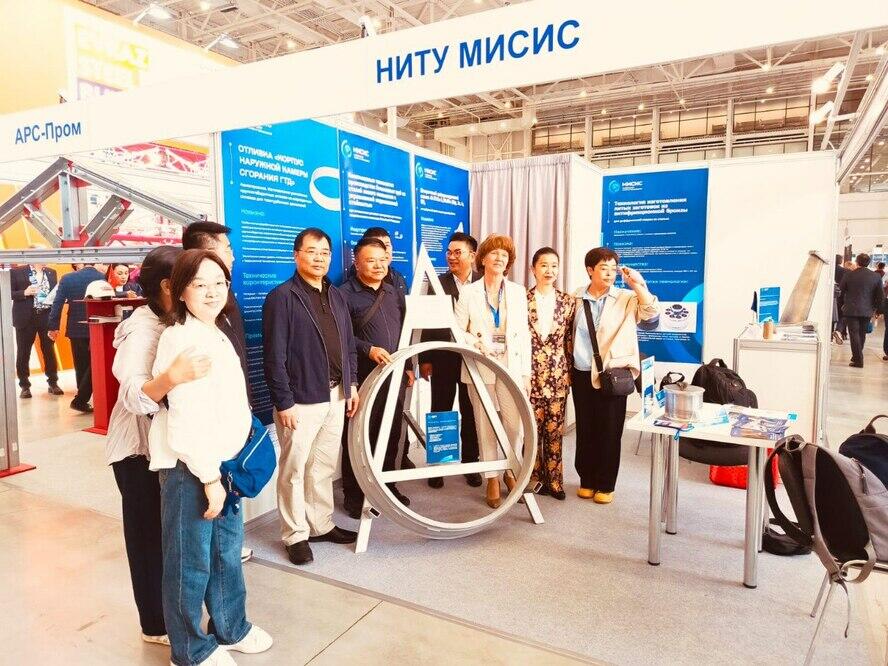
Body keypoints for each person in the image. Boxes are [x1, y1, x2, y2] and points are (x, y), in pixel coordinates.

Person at [149, 250, 272, 666]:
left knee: (225, 552)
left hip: (222, 463)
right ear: (180, 291)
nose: (212, 292)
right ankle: (189, 650)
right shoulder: (181, 338)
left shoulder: (213, 329)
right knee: (190, 563)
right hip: (192, 468)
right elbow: (186, 416)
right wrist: (209, 478)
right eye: (199, 284)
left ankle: (231, 627)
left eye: (219, 282)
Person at [105, 246, 211, 647]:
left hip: (165, 448)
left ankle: (170, 613)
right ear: (169, 285)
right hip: (137, 452)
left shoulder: (176, 321)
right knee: (147, 538)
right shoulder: (142, 330)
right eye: (194, 280)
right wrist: (171, 378)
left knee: (168, 536)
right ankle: (154, 624)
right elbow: (133, 394)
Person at [263, 228, 360, 566]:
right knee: (294, 469)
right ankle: (295, 534)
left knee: (323, 465)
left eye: (325, 252)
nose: (319, 258)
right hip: (300, 400)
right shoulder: (282, 297)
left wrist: (351, 385)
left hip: (335, 395)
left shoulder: (336, 296)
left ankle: (320, 524)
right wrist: (283, 401)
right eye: (312, 251)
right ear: (296, 255)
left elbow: (348, 346)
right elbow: (273, 356)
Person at [572, 247, 659, 504]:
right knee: (585, 428)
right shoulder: (575, 297)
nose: (609, 273)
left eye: (613, 268)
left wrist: (638, 284)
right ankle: (587, 479)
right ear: (590, 270)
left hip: (613, 374)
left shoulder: (626, 297)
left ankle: (606, 483)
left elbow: (651, 317)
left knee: (609, 430)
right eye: (603, 268)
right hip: (581, 371)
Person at [454, 234, 532, 509]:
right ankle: (491, 477)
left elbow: (524, 336)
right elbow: (457, 331)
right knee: (485, 424)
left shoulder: (518, 292)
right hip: (480, 365)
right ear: (483, 259)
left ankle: (511, 469)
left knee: (514, 425)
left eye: (505, 255)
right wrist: (476, 343)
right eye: (494, 253)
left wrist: (526, 374)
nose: (499, 258)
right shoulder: (469, 292)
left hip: (511, 366)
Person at [339, 238, 413, 518]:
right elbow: (342, 337)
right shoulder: (343, 294)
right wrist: (367, 349)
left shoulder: (393, 292)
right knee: (358, 436)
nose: (378, 265)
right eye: (371, 260)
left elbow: (405, 330)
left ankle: (387, 487)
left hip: (394, 374)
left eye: (383, 260)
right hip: (362, 376)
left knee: (391, 431)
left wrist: (409, 365)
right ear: (357, 263)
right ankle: (354, 495)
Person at [418, 232, 482, 489]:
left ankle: (471, 463)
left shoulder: (482, 283)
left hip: (473, 360)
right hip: (442, 358)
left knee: (471, 411)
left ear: (472, 256)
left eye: (458, 252)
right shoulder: (437, 283)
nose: (451, 256)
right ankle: (438, 465)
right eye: (449, 252)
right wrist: (424, 358)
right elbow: (426, 323)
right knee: (440, 411)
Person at [526, 247, 577, 501]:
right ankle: (533, 478)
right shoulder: (521, 300)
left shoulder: (568, 301)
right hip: (530, 373)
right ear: (533, 269)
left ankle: (554, 481)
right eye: (544, 265)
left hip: (558, 374)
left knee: (555, 429)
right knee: (531, 429)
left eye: (554, 265)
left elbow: (569, 340)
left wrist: (570, 372)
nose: (549, 270)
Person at [48, 262, 108, 413]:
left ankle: (82, 399)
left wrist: (53, 326)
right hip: (98, 325)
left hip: (75, 327)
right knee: (96, 363)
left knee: (81, 364)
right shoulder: (102, 278)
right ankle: (83, 398)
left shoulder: (67, 278)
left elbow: (57, 303)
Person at [10, 257, 62, 398]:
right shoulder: (17, 272)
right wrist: (24, 293)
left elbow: (55, 294)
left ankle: (53, 383)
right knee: (23, 352)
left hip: (46, 316)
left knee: (49, 350)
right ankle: (25, 386)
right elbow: (8, 292)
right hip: (25, 317)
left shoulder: (51, 272)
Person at [838, 253, 885, 368]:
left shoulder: (849, 275)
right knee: (861, 334)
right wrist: (878, 310)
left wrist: (842, 305)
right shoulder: (876, 276)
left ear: (857, 262)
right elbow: (880, 295)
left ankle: (858, 359)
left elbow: (841, 291)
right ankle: (857, 356)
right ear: (869, 263)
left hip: (851, 309)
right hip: (867, 309)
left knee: (854, 333)